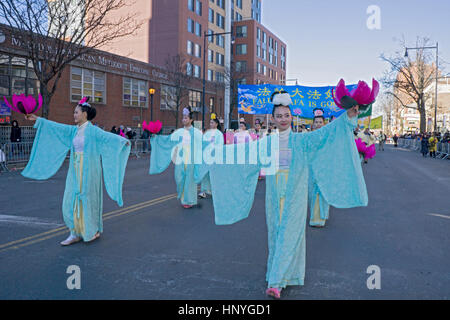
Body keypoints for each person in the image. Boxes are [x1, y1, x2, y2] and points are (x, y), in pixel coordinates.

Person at [198, 90, 367, 299]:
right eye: (279, 116)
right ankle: (285, 274)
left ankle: (276, 282)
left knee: (290, 233)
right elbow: (240, 153)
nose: (283, 119)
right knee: (276, 233)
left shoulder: (302, 140)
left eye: (286, 115)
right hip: (274, 192)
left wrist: (348, 116)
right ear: (273, 118)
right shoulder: (267, 142)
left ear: (291, 116)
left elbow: (327, 133)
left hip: (295, 192)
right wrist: (213, 154)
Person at [22, 97, 131, 246]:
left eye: (76, 112)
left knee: (88, 200)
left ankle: (90, 231)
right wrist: (37, 119)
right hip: (75, 170)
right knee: (70, 200)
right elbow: (56, 127)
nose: (74, 115)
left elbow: (108, 138)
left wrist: (122, 142)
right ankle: (74, 232)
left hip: (90, 171)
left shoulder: (94, 131)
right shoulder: (73, 131)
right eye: (74, 112)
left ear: (85, 114)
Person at [149, 107, 203, 209]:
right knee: (179, 178)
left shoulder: (196, 133)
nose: (184, 120)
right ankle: (184, 198)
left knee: (190, 181)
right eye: (183, 118)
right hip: (180, 159)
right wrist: (156, 137)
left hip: (191, 159)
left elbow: (203, 144)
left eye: (186, 118)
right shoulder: (178, 132)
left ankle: (189, 200)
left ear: (191, 120)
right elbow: (168, 140)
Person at [308, 108, 329, 228]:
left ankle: (321, 217)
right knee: (312, 192)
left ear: (324, 123)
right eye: (316, 122)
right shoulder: (309, 136)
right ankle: (314, 216)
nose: (318, 124)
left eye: (320, 122)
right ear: (313, 124)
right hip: (312, 167)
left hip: (324, 167)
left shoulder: (327, 136)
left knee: (322, 192)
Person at [198, 113, 224, 199]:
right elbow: (203, 142)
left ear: (216, 124)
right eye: (210, 122)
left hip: (214, 156)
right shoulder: (207, 133)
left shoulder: (219, 134)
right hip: (206, 156)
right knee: (205, 173)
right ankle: (204, 190)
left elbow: (220, 145)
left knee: (213, 174)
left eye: (212, 122)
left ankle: (214, 189)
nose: (211, 124)